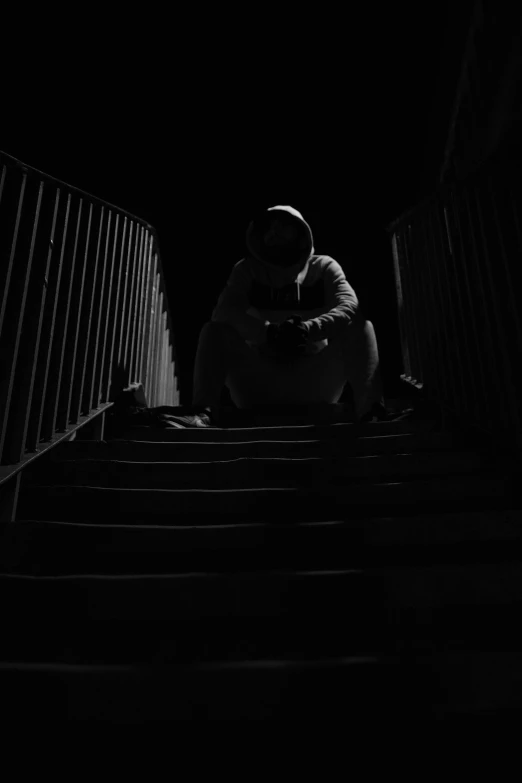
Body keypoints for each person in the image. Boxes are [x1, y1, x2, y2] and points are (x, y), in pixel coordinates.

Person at [170, 204, 392, 428]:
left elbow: (349, 306)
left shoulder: (324, 267)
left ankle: (371, 412)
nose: (274, 231)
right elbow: (224, 312)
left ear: (301, 231)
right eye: (269, 227)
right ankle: (203, 412)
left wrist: (308, 329)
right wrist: (268, 332)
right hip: (259, 384)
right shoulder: (246, 270)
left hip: (314, 382)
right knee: (214, 331)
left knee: (362, 328)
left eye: (283, 225)